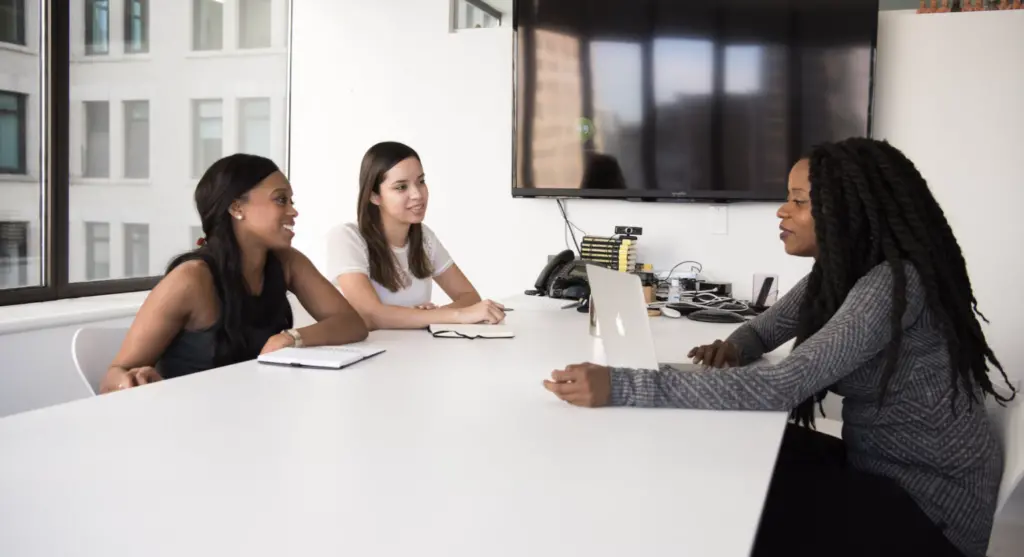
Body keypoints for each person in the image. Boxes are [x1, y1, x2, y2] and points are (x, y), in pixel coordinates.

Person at [542, 137, 1016, 557]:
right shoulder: (837, 276)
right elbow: (765, 329)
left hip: (930, 513)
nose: (781, 211)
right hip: (878, 467)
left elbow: (784, 385)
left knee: (730, 508)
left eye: (799, 200)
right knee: (724, 454)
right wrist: (734, 345)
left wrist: (623, 386)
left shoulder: (892, 283)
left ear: (849, 211)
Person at [101, 154, 368, 392]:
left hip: (256, 414)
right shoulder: (191, 280)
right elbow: (112, 378)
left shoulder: (287, 262)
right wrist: (132, 382)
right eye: (280, 199)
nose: (293, 211)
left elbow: (351, 323)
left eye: (291, 200)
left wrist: (291, 338)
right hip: (193, 424)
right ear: (237, 208)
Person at [328, 141, 504, 330]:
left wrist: (427, 316)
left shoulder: (424, 237)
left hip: (416, 352)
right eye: (401, 187)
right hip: (371, 354)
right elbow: (371, 314)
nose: (417, 194)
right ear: (374, 196)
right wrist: (444, 316)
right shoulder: (347, 237)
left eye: (421, 182)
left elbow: (469, 297)